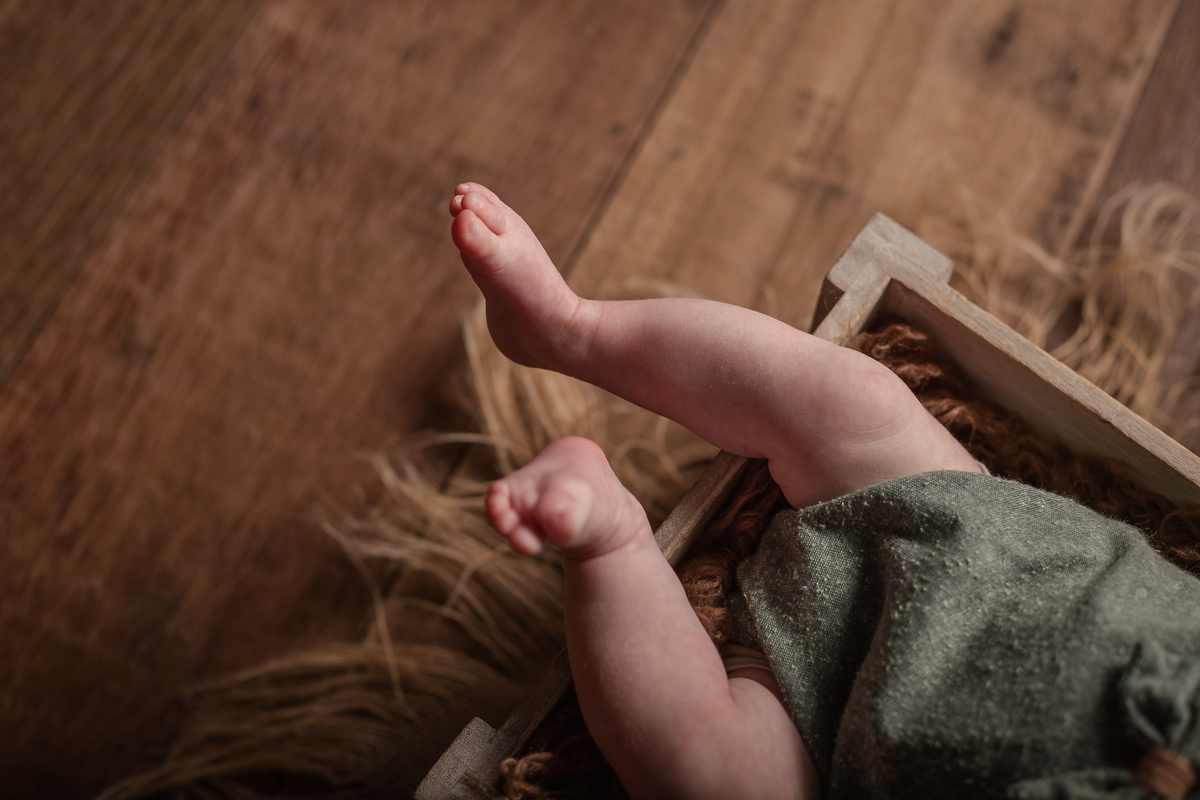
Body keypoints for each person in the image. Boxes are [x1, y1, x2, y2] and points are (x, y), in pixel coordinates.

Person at [447, 184, 1200, 800]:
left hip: (829, 733)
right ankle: (571, 327)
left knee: (711, 776)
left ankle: (609, 538)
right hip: (964, 534)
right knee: (852, 399)